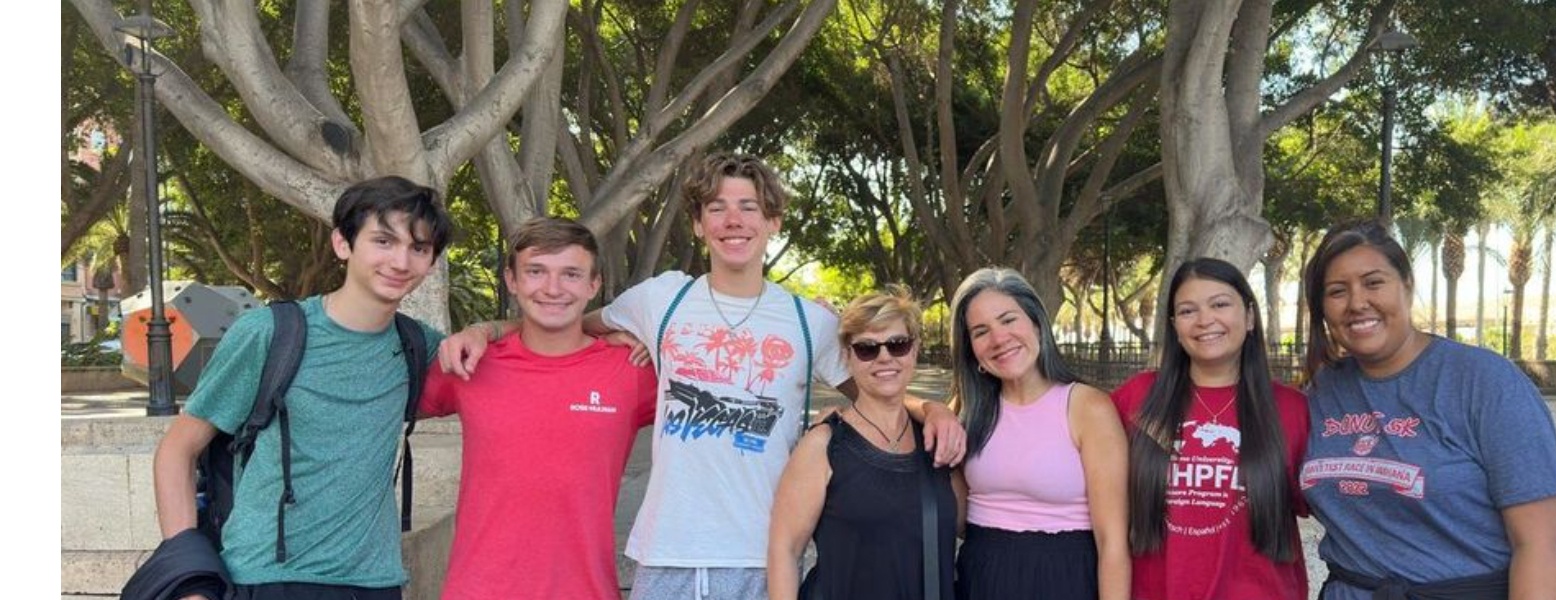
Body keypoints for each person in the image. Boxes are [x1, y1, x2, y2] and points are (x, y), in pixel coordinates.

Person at [437, 152, 967, 599]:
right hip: (666, 553)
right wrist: (487, 329)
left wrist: (934, 409)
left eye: (748, 207)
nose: (733, 220)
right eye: (717, 208)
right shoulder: (660, 300)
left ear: (773, 221)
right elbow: (562, 318)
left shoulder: (812, 323)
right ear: (698, 223)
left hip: (763, 556)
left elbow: (880, 396)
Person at [150, 176, 453, 599]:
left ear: (432, 261)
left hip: (375, 583)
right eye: (383, 241)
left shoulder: (418, 346)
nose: (401, 262)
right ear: (343, 244)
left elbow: (537, 344)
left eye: (418, 248)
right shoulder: (268, 334)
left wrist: (488, 328)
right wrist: (188, 582)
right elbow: (177, 450)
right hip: (266, 578)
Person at [1298, 220, 1556, 599]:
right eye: (1337, 291)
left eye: (1374, 283)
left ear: (1407, 285)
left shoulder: (1485, 383)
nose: (1357, 302)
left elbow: (1540, 545)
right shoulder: (1321, 393)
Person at [417, 217, 656, 599]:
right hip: (477, 591)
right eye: (535, 271)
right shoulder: (470, 361)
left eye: (572, 274)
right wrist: (485, 329)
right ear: (511, 280)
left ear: (594, 285)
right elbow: (372, 405)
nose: (553, 288)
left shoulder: (632, 371)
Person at [1109, 258, 1310, 599]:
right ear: (1174, 325)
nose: (1205, 320)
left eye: (1219, 304)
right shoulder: (1136, 399)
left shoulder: (1293, 408)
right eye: (1188, 311)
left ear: (1248, 317)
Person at [948, 267, 1129, 600]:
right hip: (981, 576)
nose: (999, 338)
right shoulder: (968, 410)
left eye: (1008, 319)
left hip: (1065, 578)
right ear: (970, 348)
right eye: (980, 331)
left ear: (1036, 323)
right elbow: (957, 517)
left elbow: (1113, 543)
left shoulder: (1087, 407)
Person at [767, 287, 959, 600]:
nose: (885, 357)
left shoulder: (936, 441)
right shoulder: (824, 446)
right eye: (867, 348)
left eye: (898, 345)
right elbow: (784, 549)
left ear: (914, 349)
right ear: (848, 356)